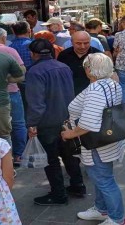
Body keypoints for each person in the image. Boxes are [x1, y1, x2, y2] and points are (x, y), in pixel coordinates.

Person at [61, 53, 125, 225]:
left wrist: (69, 134)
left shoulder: (96, 89)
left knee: (104, 180)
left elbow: (88, 124)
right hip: (107, 140)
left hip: (96, 143)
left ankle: (118, 218)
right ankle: (101, 209)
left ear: (89, 69)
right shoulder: (111, 83)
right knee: (101, 178)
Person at [25, 39, 85, 205]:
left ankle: (58, 193)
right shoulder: (63, 66)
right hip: (66, 117)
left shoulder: (35, 72)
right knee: (69, 154)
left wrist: (32, 124)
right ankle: (77, 184)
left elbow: (36, 103)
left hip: (47, 121)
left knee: (51, 159)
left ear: (33, 54)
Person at [0, 27, 28, 167]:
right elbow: (22, 70)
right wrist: (9, 79)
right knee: (18, 123)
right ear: (4, 38)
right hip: (11, 92)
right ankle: (18, 155)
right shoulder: (10, 51)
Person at [58, 30, 102, 96]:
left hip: (92, 94)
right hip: (70, 94)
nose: (82, 47)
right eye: (78, 43)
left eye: (86, 43)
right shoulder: (63, 55)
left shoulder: (98, 55)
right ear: (71, 42)